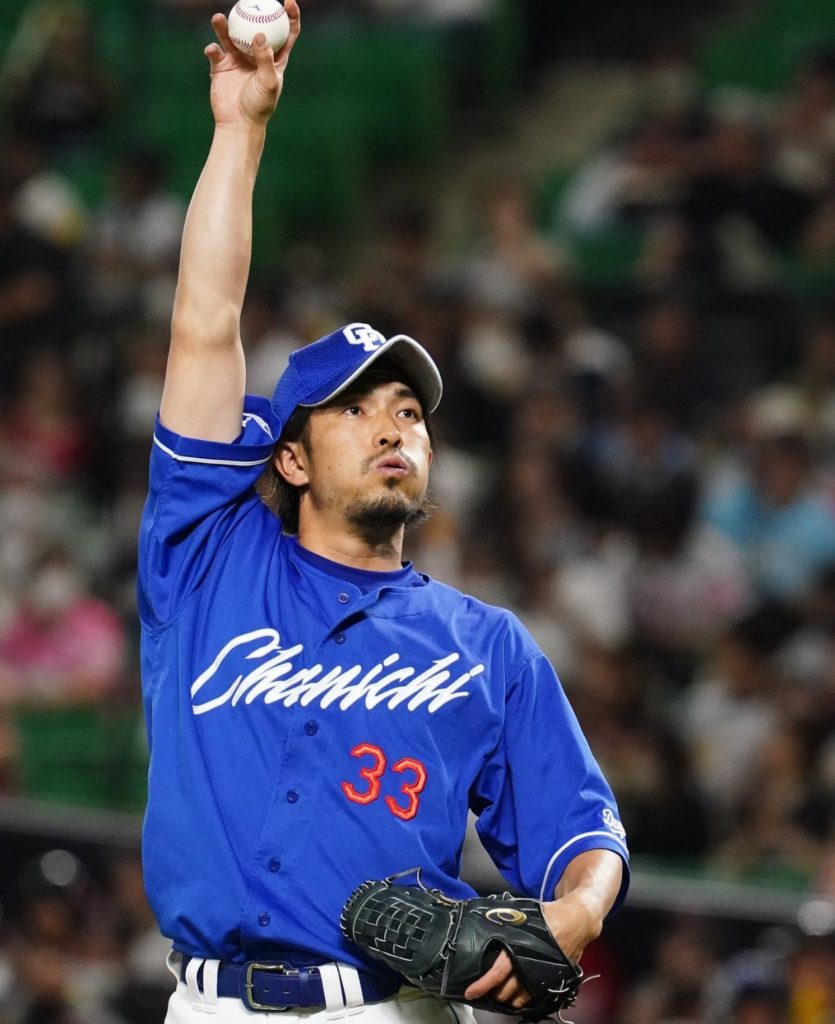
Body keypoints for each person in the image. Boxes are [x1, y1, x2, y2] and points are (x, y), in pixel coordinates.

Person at [136, 6, 629, 1024]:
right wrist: (240, 129)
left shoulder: (484, 646)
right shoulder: (206, 557)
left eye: (407, 411)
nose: (391, 426)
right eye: (354, 409)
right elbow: (204, 324)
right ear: (289, 457)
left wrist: (574, 915)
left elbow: (583, 829)